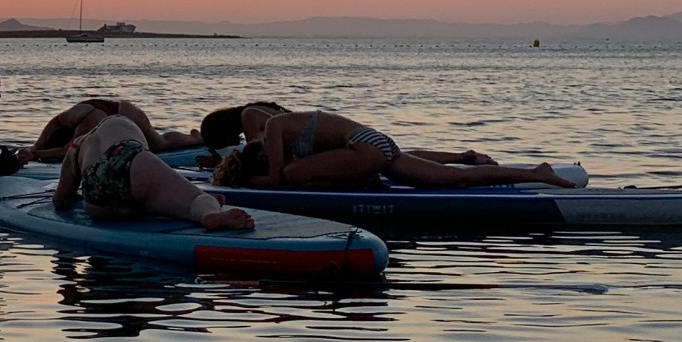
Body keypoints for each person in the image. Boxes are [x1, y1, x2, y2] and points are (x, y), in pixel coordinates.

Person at [202, 103, 558, 193]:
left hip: (366, 148)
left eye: (263, 159)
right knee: (454, 180)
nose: (270, 160)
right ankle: (534, 173)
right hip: (377, 145)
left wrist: (246, 184)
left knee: (295, 174)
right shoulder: (281, 130)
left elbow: (280, 177)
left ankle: (363, 182)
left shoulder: (275, 127)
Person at [53, 114, 254, 232]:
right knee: (197, 200)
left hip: (96, 195)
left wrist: (75, 196)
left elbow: (60, 200)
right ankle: (209, 212)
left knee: (141, 200)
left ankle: (151, 205)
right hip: (126, 155)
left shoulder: (76, 146)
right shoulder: (120, 121)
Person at [28, 96, 198, 162]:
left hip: (124, 112)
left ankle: (196, 139)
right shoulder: (57, 123)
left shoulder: (85, 127)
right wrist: (26, 152)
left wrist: (36, 155)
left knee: (158, 144)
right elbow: (37, 147)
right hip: (101, 110)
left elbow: (69, 151)